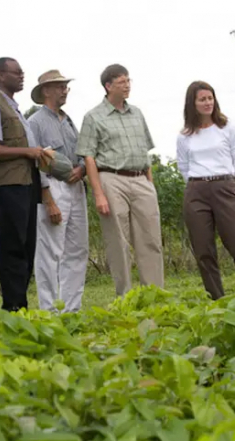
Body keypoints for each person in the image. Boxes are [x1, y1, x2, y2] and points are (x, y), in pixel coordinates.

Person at [76, 64, 164, 297]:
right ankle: (125, 297)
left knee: (151, 239)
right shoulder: (93, 117)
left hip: (140, 179)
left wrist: (150, 184)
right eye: (121, 82)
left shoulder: (137, 113)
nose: (127, 85)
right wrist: (99, 194)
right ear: (108, 86)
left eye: (128, 81)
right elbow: (89, 157)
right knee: (119, 242)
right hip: (111, 179)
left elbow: (145, 152)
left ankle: (155, 296)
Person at [0, 57, 51, 312]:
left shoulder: (14, 108)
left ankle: (20, 305)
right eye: (16, 72)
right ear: (0, 75)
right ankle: (13, 307)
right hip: (8, 186)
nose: (22, 75)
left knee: (27, 246)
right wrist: (27, 152)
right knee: (13, 246)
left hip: (25, 184)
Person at [177, 81, 235, 300]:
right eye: (202, 99)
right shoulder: (185, 135)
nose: (207, 103)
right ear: (192, 103)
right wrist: (200, 182)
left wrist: (228, 179)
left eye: (210, 98)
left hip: (224, 186)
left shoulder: (227, 128)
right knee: (204, 250)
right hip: (196, 191)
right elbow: (183, 167)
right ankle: (217, 300)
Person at [28, 70, 88, 313]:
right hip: (52, 186)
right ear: (46, 91)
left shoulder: (69, 120)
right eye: (60, 86)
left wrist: (83, 169)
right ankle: (49, 311)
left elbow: (83, 152)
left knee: (77, 249)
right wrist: (48, 200)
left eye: (66, 86)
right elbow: (35, 161)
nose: (65, 90)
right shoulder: (35, 122)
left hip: (76, 187)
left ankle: (71, 310)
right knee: (50, 251)